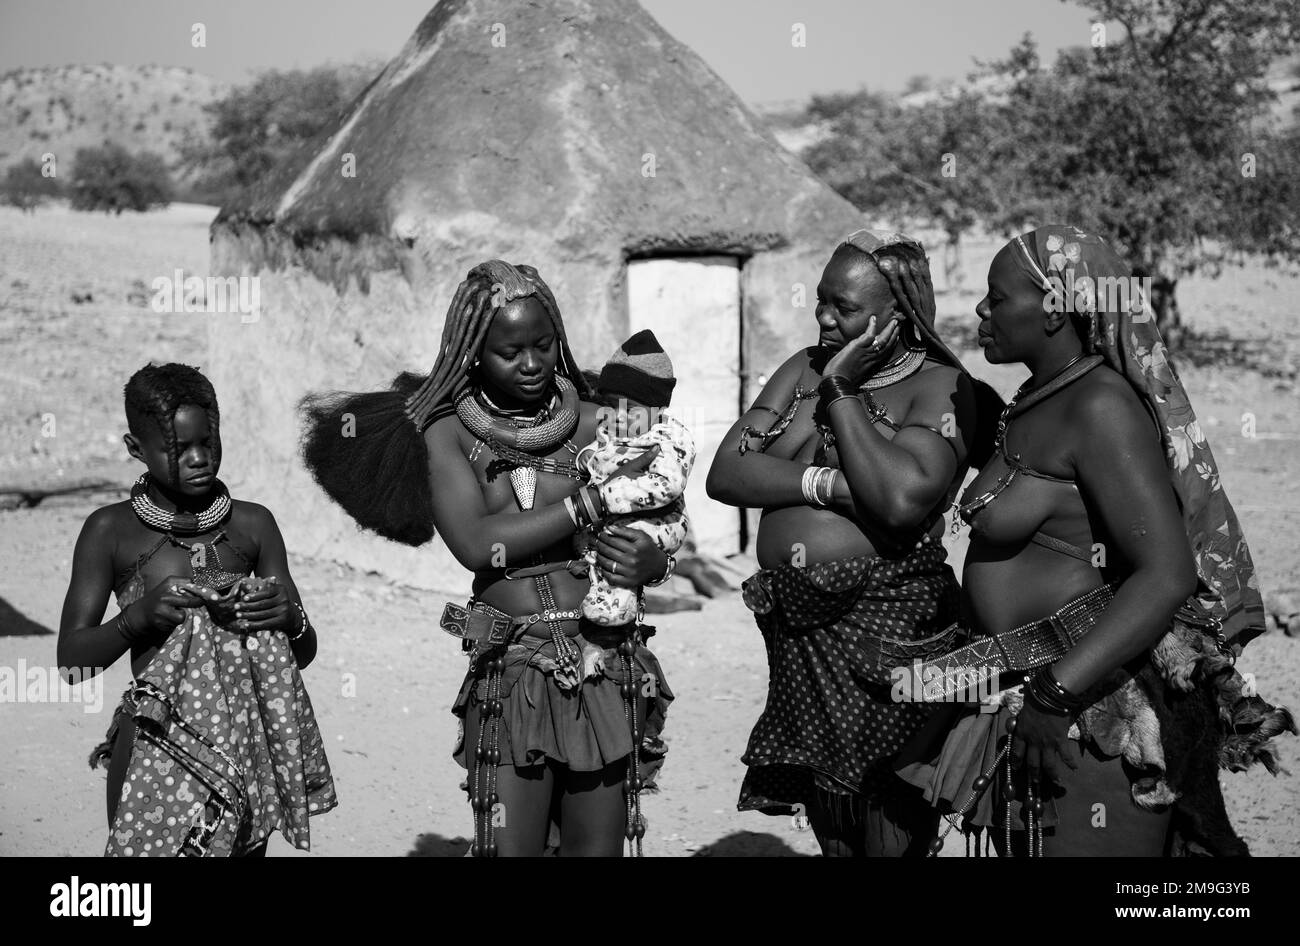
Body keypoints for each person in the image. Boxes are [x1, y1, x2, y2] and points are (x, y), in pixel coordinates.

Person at [897, 225, 1295, 856]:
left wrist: (1057, 693)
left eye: (997, 298)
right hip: (1028, 688)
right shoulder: (1032, 400)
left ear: (1056, 309)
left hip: (1096, 705)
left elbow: (1164, 574)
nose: (981, 309)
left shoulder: (1099, 406)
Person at [300, 260, 674, 857]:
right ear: (473, 351)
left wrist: (647, 559)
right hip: (514, 669)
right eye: (509, 352)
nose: (531, 364)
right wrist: (589, 503)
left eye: (543, 345)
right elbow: (477, 544)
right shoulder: (445, 433)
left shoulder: (595, 418)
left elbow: (659, 510)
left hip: (604, 658)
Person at [706, 230, 999, 856]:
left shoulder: (940, 389)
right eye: (820, 301)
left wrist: (842, 390)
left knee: (889, 821)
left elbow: (898, 503)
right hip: (801, 633)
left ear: (897, 316)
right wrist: (832, 484)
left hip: (890, 630)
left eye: (845, 308)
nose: (824, 319)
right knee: (833, 824)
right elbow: (726, 473)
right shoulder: (800, 369)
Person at [59, 363, 336, 857]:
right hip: (153, 745)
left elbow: (305, 650)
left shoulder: (254, 526)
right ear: (136, 450)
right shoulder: (110, 532)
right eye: (178, 448)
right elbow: (71, 664)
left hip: (245, 747)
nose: (198, 458)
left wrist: (289, 618)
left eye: (208, 442)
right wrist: (136, 618)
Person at [576, 329, 694, 627]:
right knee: (599, 542)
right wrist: (587, 460)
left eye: (631, 409)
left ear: (658, 410)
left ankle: (617, 606)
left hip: (660, 520)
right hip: (621, 511)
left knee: (620, 545)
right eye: (612, 404)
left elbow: (667, 486)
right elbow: (599, 453)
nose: (618, 416)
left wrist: (610, 496)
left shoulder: (669, 438)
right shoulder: (614, 429)